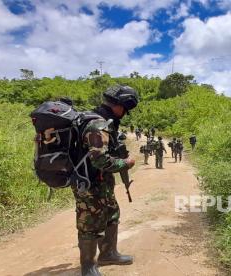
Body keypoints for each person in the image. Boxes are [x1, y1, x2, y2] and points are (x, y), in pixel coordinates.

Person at [75, 85, 138, 276]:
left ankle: (108, 253)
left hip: (101, 183)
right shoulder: (98, 125)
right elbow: (99, 159)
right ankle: (87, 266)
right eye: (126, 109)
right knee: (89, 223)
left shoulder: (105, 122)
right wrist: (126, 163)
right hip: (88, 183)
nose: (125, 114)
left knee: (111, 214)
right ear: (119, 106)